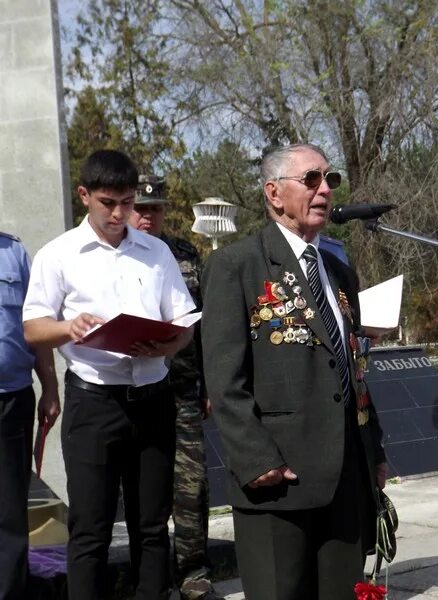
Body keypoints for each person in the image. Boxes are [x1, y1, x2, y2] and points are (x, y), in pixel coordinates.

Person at [201, 143, 388, 600]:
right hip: (278, 480)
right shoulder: (236, 265)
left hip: (345, 475)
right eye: (311, 180)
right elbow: (224, 378)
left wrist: (373, 447)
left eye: (330, 180)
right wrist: (256, 459)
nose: (325, 190)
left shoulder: (338, 269)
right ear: (274, 193)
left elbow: (353, 367)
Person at [22, 150, 196, 600]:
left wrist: (169, 342)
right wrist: (69, 327)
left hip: (152, 398)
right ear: (84, 196)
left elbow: (183, 324)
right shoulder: (59, 254)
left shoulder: (156, 252)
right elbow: (32, 326)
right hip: (94, 403)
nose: (120, 213)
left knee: (152, 526)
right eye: (108, 202)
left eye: (128, 202)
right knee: (91, 529)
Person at [128, 175, 221, 600]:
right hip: (131, 389)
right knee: (142, 488)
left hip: (182, 389)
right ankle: (149, 576)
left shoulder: (184, 254)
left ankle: (193, 574)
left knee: (191, 486)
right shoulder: (114, 255)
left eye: (155, 209)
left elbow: (205, 326)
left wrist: (208, 383)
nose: (147, 217)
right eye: (140, 208)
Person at [0, 232, 60, 600]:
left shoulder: (14, 253)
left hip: (11, 399)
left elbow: (35, 327)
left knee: (8, 512)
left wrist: (50, 388)